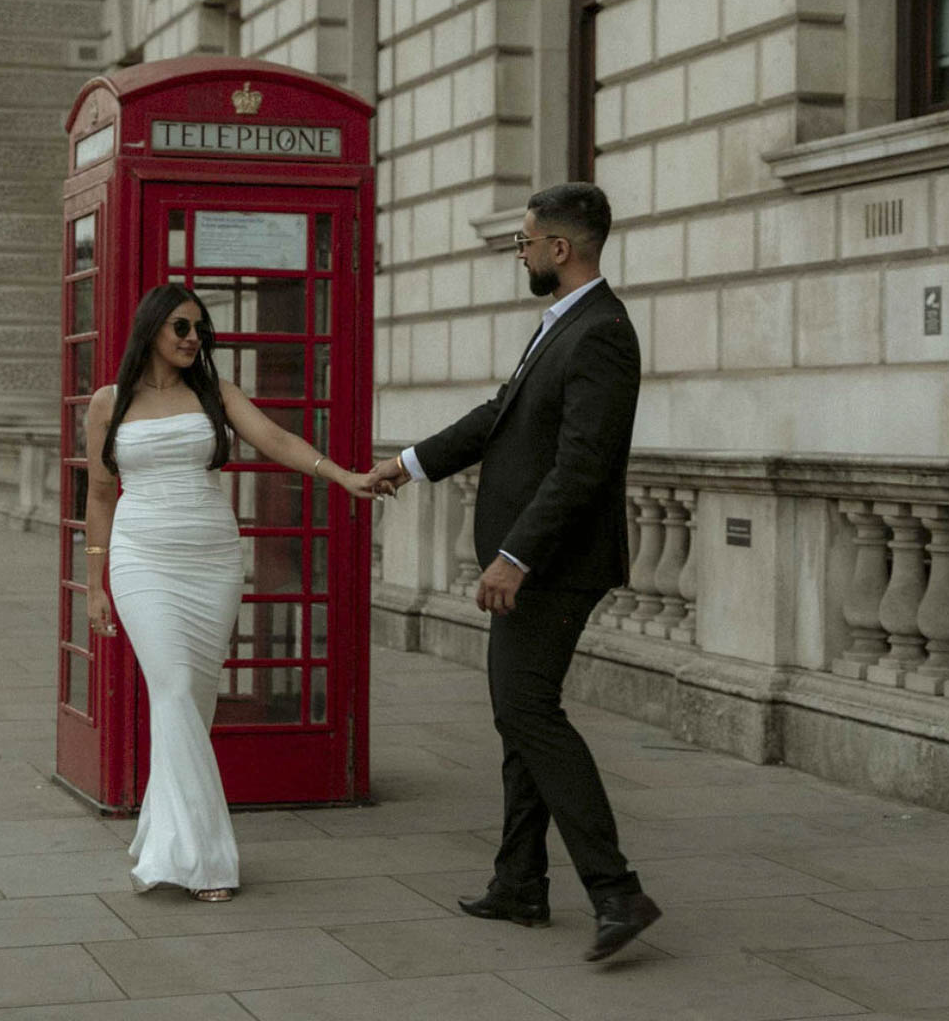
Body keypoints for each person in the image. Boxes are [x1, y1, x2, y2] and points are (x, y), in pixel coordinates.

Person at [366, 182, 656, 963]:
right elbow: (500, 415)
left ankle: (616, 889)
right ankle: (520, 881)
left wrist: (515, 556)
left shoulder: (601, 333)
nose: (520, 253)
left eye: (524, 242)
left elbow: (582, 465)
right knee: (517, 710)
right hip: (539, 559)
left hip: (556, 564)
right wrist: (406, 464)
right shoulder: (564, 325)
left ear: (559, 249)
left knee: (528, 711)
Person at [82, 283, 373, 902]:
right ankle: (205, 862)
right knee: (177, 690)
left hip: (212, 561)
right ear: (152, 328)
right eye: (180, 328)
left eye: (198, 330)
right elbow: (101, 494)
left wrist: (342, 475)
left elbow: (278, 441)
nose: (192, 339)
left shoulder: (217, 395)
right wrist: (95, 584)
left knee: (191, 704)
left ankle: (162, 835)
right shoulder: (108, 403)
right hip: (142, 559)